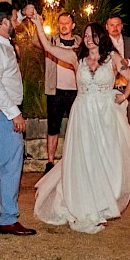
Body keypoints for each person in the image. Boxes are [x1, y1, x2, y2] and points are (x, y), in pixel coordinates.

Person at [27, 8, 130, 233]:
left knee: (104, 159)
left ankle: (102, 204)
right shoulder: (75, 57)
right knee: (84, 158)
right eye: (87, 35)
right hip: (82, 114)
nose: (89, 38)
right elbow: (48, 46)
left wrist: (123, 96)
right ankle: (82, 203)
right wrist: (39, 24)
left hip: (105, 116)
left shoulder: (113, 59)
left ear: (101, 37)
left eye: (93, 35)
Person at [0, 2, 36, 236]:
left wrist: (22, 14)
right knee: (11, 165)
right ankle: (8, 218)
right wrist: (15, 114)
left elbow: (11, 22)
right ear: (4, 23)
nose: (16, 23)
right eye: (13, 19)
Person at [40, 11, 81, 173]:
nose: (63, 26)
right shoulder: (51, 41)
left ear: (73, 25)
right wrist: (38, 24)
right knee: (53, 128)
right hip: (55, 91)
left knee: (77, 128)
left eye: (67, 23)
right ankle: (50, 162)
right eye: (61, 23)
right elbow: (37, 41)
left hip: (76, 92)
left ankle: (77, 161)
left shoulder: (81, 43)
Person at [105, 15, 130, 129]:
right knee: (111, 122)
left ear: (122, 26)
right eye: (112, 25)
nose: (115, 28)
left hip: (129, 88)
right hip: (110, 88)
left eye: (118, 25)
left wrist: (128, 62)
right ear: (107, 27)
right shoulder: (103, 44)